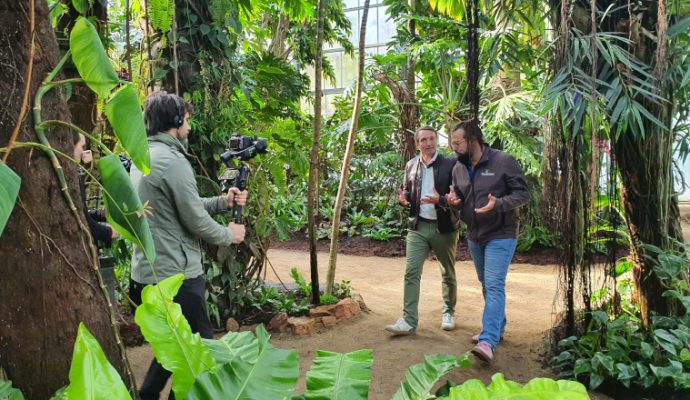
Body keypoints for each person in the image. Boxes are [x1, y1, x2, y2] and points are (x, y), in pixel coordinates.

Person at [129, 91, 248, 399]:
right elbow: (194, 221)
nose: (190, 127)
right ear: (176, 120)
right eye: (188, 120)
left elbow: (179, 208)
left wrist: (223, 202)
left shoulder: (143, 156)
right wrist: (229, 235)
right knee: (201, 349)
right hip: (176, 276)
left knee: (175, 346)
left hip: (149, 271)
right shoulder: (172, 161)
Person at [446, 120, 529, 363]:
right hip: (475, 235)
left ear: (473, 141)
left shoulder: (503, 161)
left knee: (494, 284)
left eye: (458, 144)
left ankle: (488, 340)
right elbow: (462, 197)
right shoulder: (458, 168)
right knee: (485, 283)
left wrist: (498, 204)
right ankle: (498, 327)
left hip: (501, 234)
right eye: (452, 144)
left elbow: (523, 194)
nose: (455, 149)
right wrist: (455, 202)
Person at [385, 126, 461, 335]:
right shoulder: (411, 165)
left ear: (437, 141)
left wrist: (442, 200)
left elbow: (459, 198)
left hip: (444, 227)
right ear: (417, 144)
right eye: (424, 140)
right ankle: (409, 320)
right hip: (418, 226)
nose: (429, 143)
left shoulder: (450, 164)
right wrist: (403, 200)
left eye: (432, 139)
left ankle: (448, 312)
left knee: (447, 272)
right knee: (411, 272)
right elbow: (409, 193)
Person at [73, 133, 118, 247]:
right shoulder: (71, 179)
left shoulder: (75, 175)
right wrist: (107, 232)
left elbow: (80, 212)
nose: (84, 153)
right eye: (82, 147)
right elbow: (82, 220)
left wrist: (102, 214)